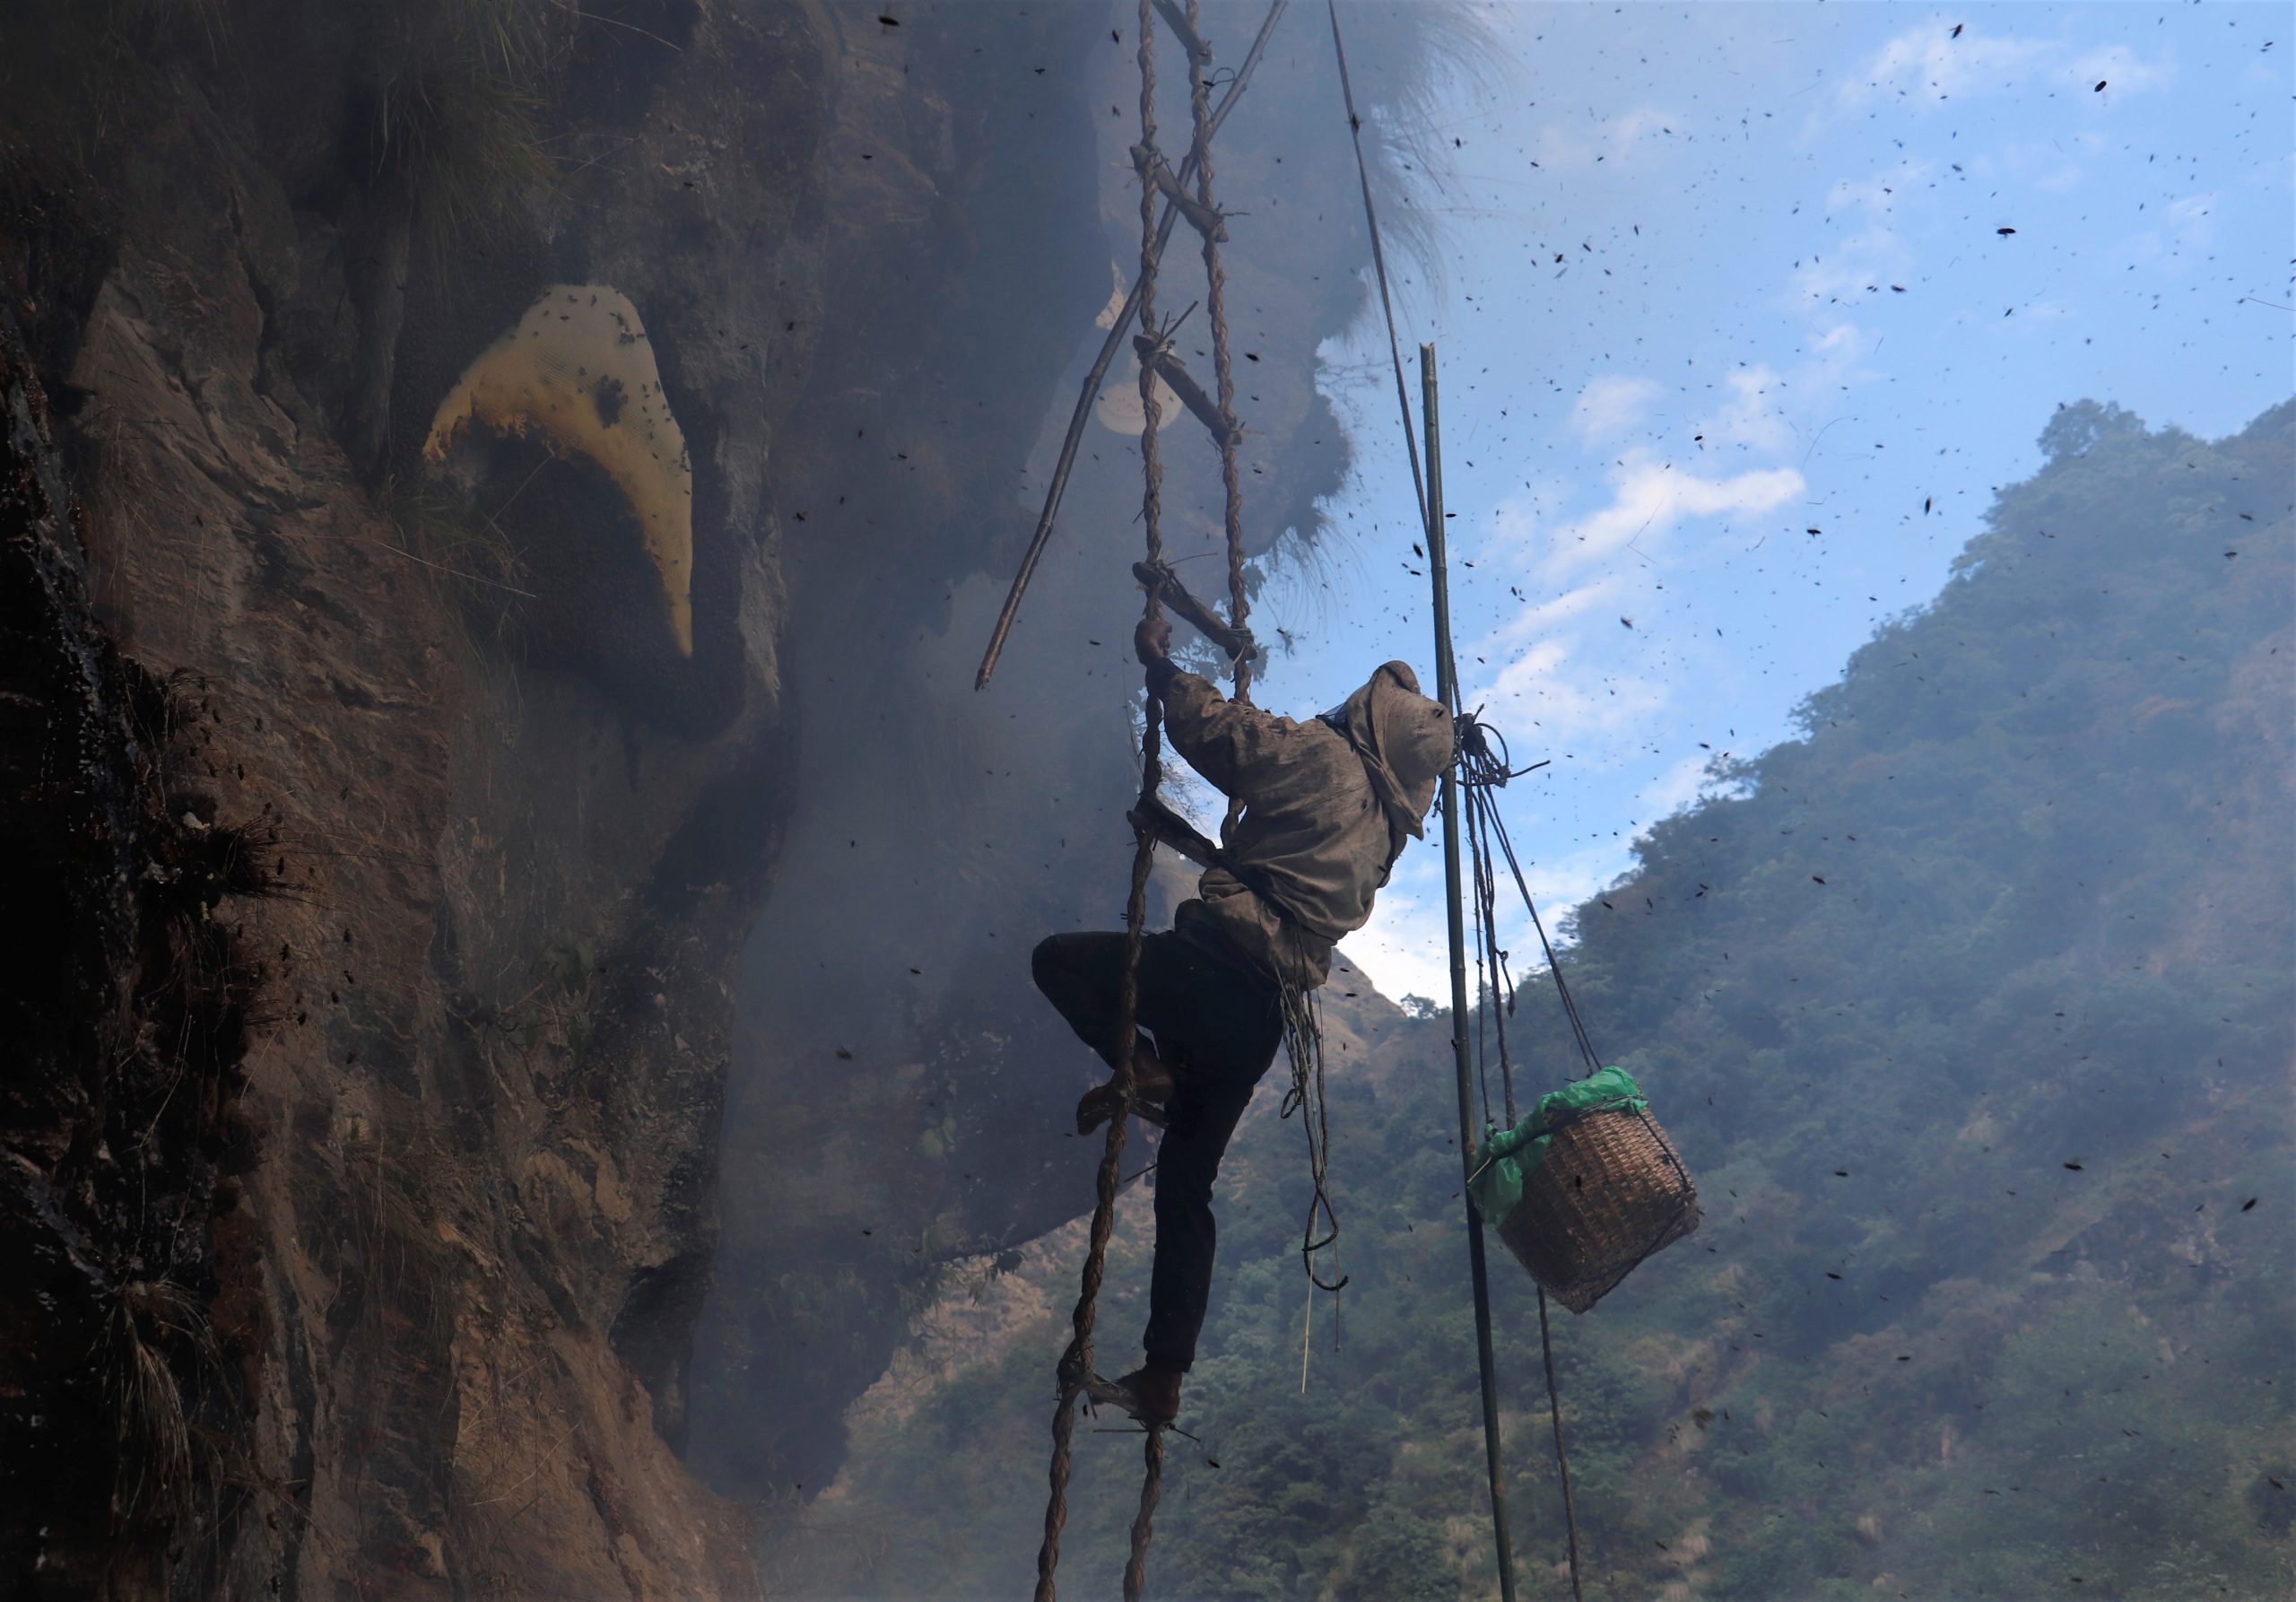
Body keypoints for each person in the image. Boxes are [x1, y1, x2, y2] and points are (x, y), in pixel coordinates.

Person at [1031, 614, 1454, 1424]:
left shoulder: (1328, 762)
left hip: (1206, 972)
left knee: (1058, 960)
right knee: (1188, 1191)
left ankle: (1140, 1062)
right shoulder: (1385, 839)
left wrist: (1160, 668)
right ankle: (1165, 1374)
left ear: (1370, 720)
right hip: (1261, 1021)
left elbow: (1222, 737)